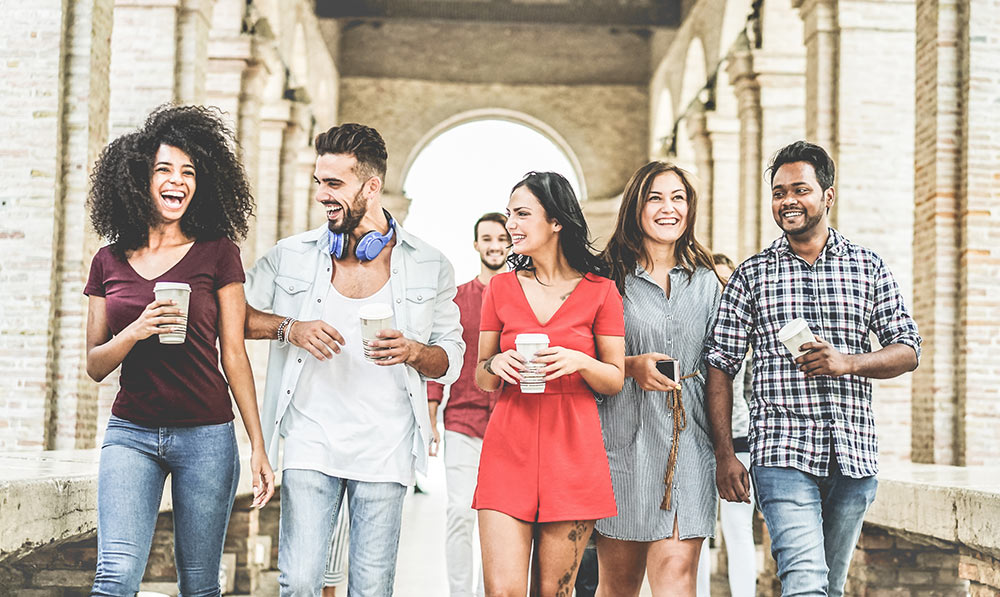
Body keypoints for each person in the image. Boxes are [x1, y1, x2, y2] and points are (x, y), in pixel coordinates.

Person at [243, 123, 464, 596]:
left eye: (334, 184)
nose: (322, 194)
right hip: (308, 438)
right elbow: (234, 315)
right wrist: (290, 328)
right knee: (300, 581)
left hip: (386, 448)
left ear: (371, 186)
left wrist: (414, 351)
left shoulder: (430, 264)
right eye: (319, 182)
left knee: (370, 587)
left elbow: (452, 357)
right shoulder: (290, 256)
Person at [705, 141, 921, 597]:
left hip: (854, 455)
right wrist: (725, 454)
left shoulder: (868, 267)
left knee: (830, 588)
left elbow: (908, 349)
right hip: (782, 453)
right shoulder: (753, 275)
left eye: (799, 189)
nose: (787, 201)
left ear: (828, 195)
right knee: (805, 584)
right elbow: (719, 364)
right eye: (779, 192)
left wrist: (849, 362)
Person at [83, 105, 274, 596]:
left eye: (188, 172)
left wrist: (257, 445)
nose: (177, 182)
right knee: (115, 575)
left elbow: (234, 353)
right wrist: (136, 330)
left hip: (207, 436)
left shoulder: (218, 251)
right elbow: (95, 365)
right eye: (164, 170)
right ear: (139, 179)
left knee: (199, 582)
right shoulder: (108, 260)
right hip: (131, 433)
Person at [474, 171, 626, 596]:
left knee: (554, 594)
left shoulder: (601, 291)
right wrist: (498, 361)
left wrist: (579, 360)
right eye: (509, 215)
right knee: (502, 592)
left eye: (522, 214)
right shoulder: (501, 288)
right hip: (509, 448)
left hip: (574, 455)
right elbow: (482, 377)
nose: (511, 225)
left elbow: (614, 379)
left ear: (556, 221)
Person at [594, 162, 721, 597]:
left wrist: (728, 450)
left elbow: (723, 369)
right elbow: (584, 355)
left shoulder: (709, 284)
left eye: (679, 198)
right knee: (618, 586)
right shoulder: (606, 278)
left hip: (689, 446)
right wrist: (631, 366)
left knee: (677, 577)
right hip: (622, 445)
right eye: (655, 197)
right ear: (636, 207)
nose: (669, 208)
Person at [426, 212, 510, 597]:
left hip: (511, 424)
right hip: (463, 420)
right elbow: (438, 358)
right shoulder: (457, 299)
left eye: (502, 239)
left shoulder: (523, 298)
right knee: (460, 511)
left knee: (498, 519)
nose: (495, 246)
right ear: (476, 244)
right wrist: (431, 415)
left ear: (512, 244)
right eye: (487, 239)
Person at [695, 256, 757, 597]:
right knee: (698, 533)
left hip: (739, 441)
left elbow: (750, 389)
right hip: (696, 441)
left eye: (726, 282)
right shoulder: (691, 325)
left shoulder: (742, 329)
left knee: (738, 529)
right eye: (713, 281)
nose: (721, 289)